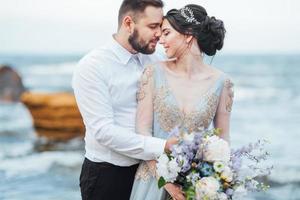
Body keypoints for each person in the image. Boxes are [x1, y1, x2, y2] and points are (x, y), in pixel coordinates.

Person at [72, 0, 178, 199]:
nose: (159, 33)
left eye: (161, 27)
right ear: (128, 23)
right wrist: (163, 146)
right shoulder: (92, 66)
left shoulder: (156, 59)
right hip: (108, 176)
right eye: (153, 26)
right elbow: (103, 131)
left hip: (152, 173)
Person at [130, 4, 234, 200]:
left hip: (196, 188)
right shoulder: (153, 73)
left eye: (166, 33)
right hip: (152, 182)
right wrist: (167, 184)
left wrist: (215, 182)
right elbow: (142, 132)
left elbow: (223, 141)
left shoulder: (223, 83)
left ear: (187, 35)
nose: (160, 39)